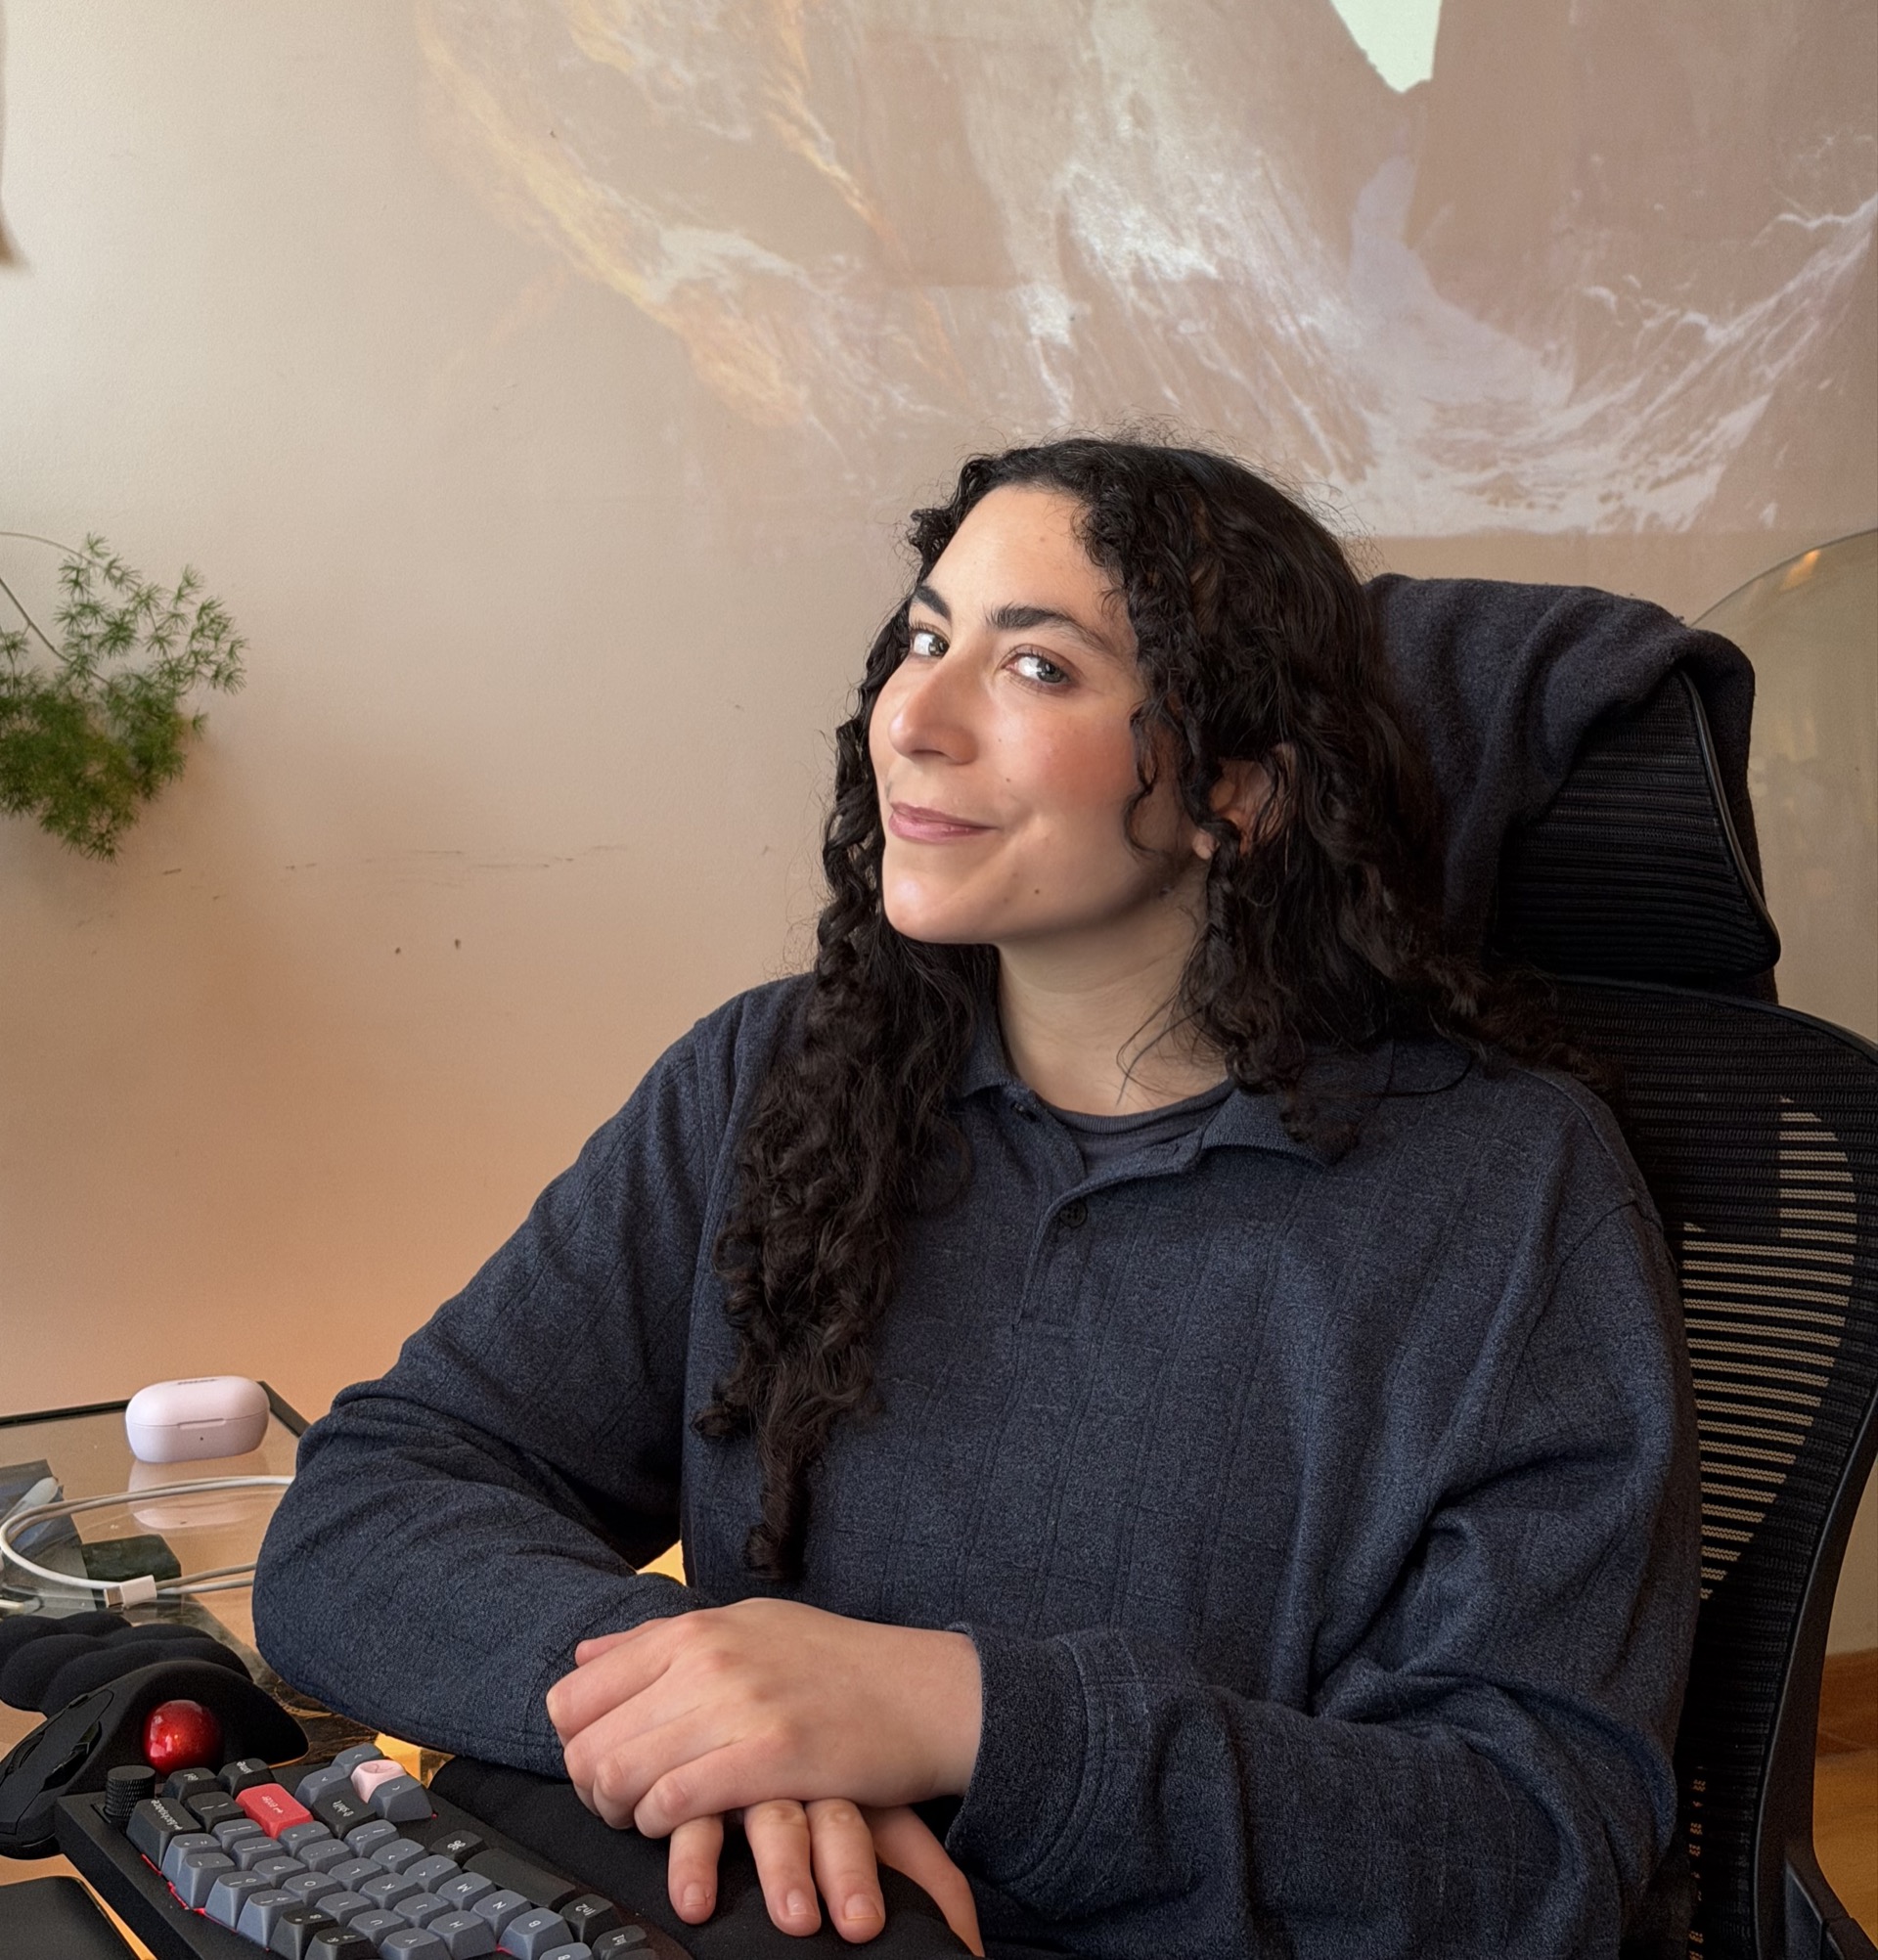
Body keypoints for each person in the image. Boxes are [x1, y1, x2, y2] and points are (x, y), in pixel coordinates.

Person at [254, 438, 1702, 1958]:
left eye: (1040, 669)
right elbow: (368, 1508)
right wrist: (720, 1704)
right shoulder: (780, 1078)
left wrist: (962, 1716)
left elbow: (1537, 1850)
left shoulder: (1505, 1193)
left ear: (1240, 789)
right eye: (927, 639)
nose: (914, 718)